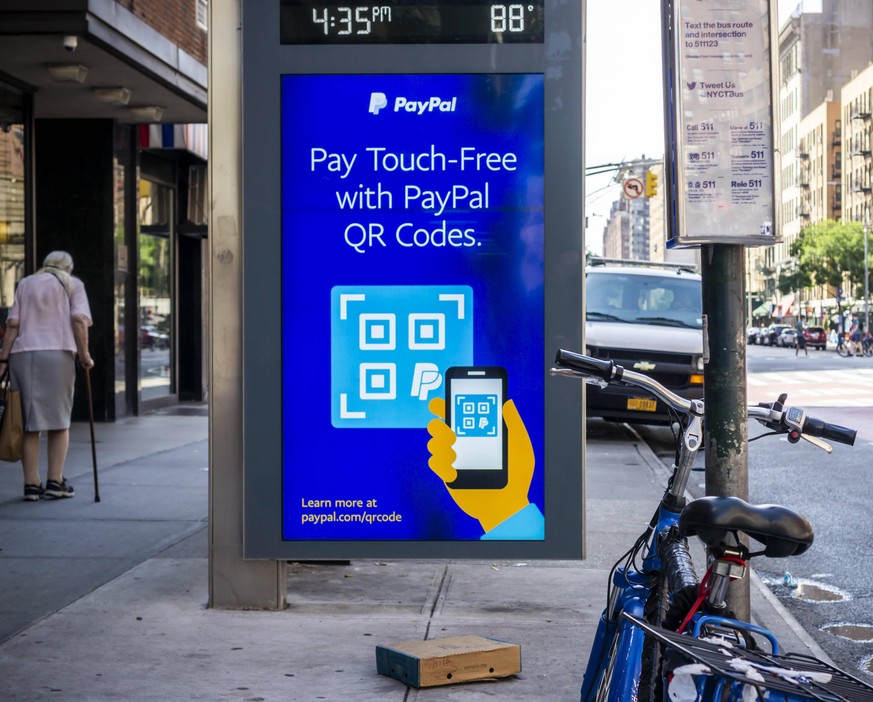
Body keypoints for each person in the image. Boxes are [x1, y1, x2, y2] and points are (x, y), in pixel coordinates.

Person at [0, 251, 93, 501]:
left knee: (29, 422)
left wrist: (3, 359)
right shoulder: (72, 284)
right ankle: (56, 481)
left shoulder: (26, 283)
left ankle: (31, 484)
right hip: (57, 353)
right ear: (69, 267)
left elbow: (12, 324)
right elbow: (78, 320)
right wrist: (85, 355)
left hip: (22, 355)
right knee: (59, 420)